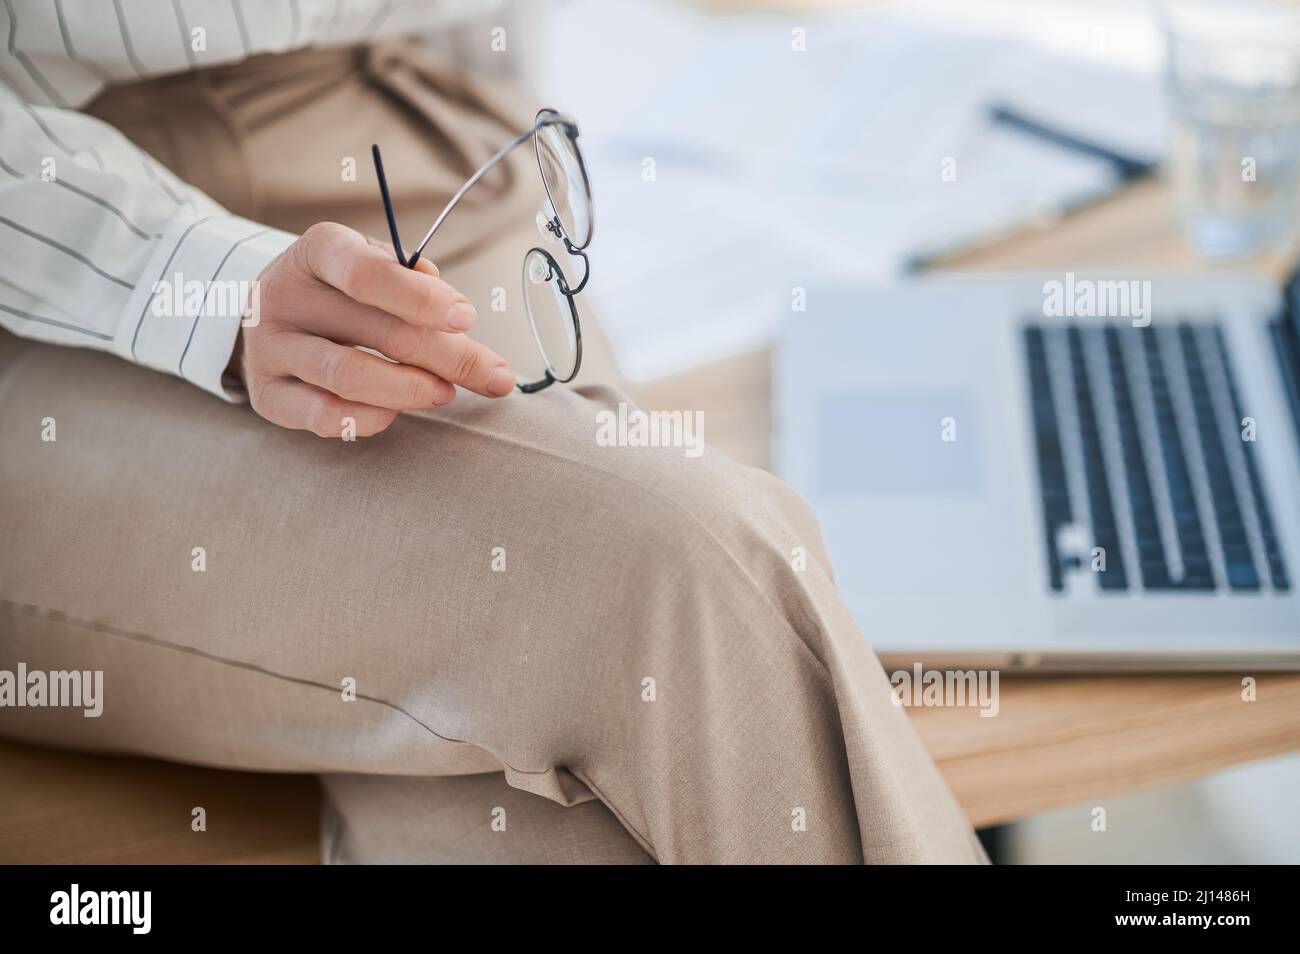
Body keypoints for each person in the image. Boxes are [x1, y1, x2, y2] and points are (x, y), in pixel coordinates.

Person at [0, 0, 985, 863]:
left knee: (570, 808)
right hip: (50, 254)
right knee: (673, 568)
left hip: (415, 159)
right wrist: (192, 280)